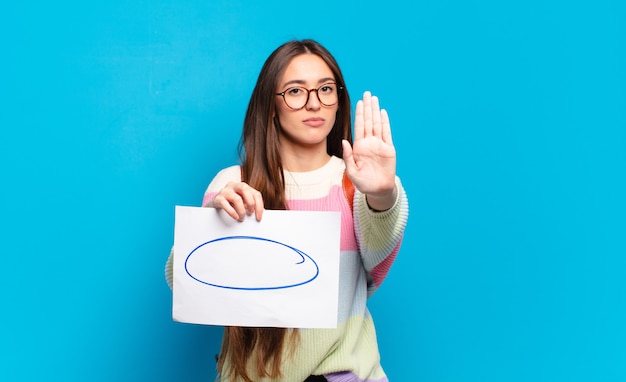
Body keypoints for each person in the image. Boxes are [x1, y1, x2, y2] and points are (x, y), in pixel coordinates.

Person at [165, 39, 409, 382]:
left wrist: (382, 194)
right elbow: (183, 283)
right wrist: (214, 222)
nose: (314, 103)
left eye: (326, 89)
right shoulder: (234, 183)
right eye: (296, 91)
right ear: (270, 105)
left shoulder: (356, 184)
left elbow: (377, 262)